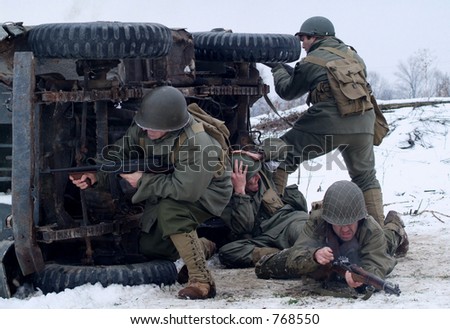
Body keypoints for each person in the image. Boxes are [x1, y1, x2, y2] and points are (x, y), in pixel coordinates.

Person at [70, 86, 232, 300]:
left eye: (152, 127)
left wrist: (143, 181)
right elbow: (121, 152)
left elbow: (185, 190)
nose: (146, 131)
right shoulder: (147, 127)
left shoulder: (197, 143)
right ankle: (202, 247)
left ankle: (201, 281)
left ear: (172, 125)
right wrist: (95, 173)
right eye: (144, 125)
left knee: (171, 211)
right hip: (169, 182)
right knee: (154, 247)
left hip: (206, 189)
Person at [267, 16, 385, 225]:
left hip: (330, 121)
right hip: (364, 122)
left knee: (283, 157)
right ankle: (378, 233)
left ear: (315, 37)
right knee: (366, 178)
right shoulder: (354, 57)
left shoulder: (310, 62)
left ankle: (272, 222)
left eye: (303, 38)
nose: (302, 44)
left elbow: (287, 91)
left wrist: (277, 69)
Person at [255, 180, 409, 295]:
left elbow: (375, 268)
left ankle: (395, 225)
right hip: (322, 251)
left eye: (350, 223)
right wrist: (314, 255)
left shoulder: (370, 229)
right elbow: (296, 254)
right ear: (328, 220)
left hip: (366, 249)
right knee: (270, 267)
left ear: (360, 218)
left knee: (387, 242)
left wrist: (356, 280)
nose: (345, 229)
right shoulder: (318, 221)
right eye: (339, 224)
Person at [218, 142, 309, 268]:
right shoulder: (226, 198)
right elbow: (244, 228)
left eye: (257, 173)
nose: (258, 178)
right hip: (266, 239)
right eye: (251, 177)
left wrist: (260, 154)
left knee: (306, 236)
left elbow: (282, 146)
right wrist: (240, 192)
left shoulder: (263, 175)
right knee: (227, 252)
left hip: (289, 222)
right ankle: (281, 255)